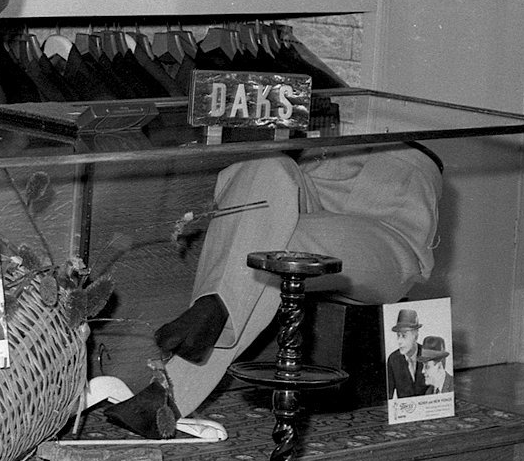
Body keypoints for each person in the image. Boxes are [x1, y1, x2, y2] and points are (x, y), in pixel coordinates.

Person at [130, 146, 444, 430]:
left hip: (394, 199)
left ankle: (174, 385)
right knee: (264, 162)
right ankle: (215, 305)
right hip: (320, 169)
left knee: (273, 251)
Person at [386, 307, 430, 399]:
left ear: (415, 336)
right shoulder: (393, 359)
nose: (399, 341)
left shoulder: (429, 355)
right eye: (398, 336)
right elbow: (388, 395)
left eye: (404, 336)